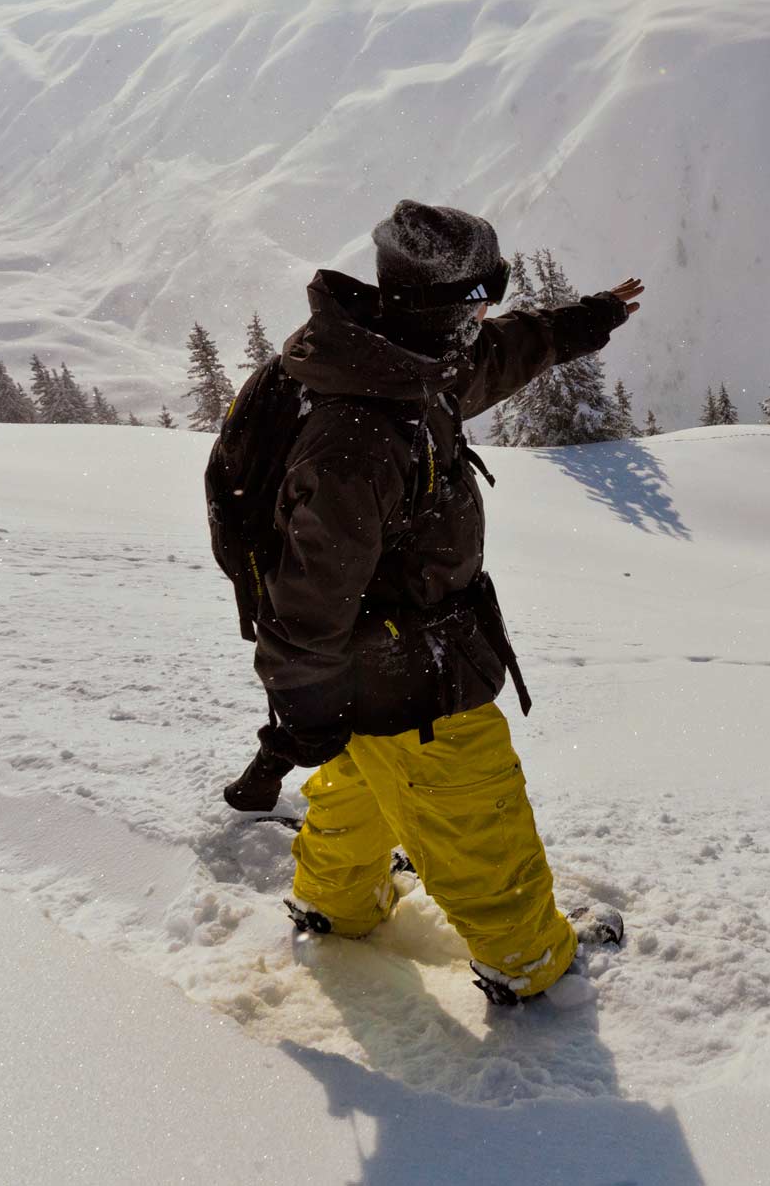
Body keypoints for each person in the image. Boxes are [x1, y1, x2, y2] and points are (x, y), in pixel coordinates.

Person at [237, 200, 642, 1006]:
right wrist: (301, 701)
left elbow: (505, 352)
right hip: (411, 674)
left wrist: (590, 318)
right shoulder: (365, 430)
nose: (488, 310)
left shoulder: (396, 357)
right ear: (443, 307)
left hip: (367, 669)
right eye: (479, 295)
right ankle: (529, 963)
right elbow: (306, 594)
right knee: (474, 811)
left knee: (359, 781)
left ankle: (335, 903)